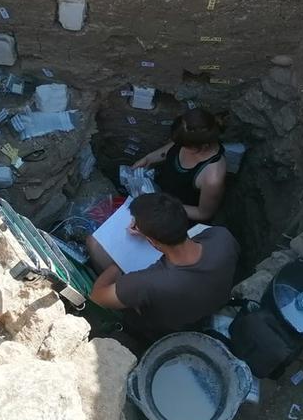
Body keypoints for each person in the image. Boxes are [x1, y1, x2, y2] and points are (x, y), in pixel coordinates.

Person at [89, 192, 239, 345]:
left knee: (93, 244)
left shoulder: (145, 284)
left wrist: (117, 263)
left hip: (165, 333)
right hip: (211, 303)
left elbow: (97, 296)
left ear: (153, 242)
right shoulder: (222, 237)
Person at [131, 108, 227, 223]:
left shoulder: (212, 177)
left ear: (204, 146)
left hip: (176, 216)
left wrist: (164, 205)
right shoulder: (189, 138)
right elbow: (169, 151)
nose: (181, 148)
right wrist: (147, 159)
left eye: (185, 146)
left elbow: (203, 213)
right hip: (160, 196)